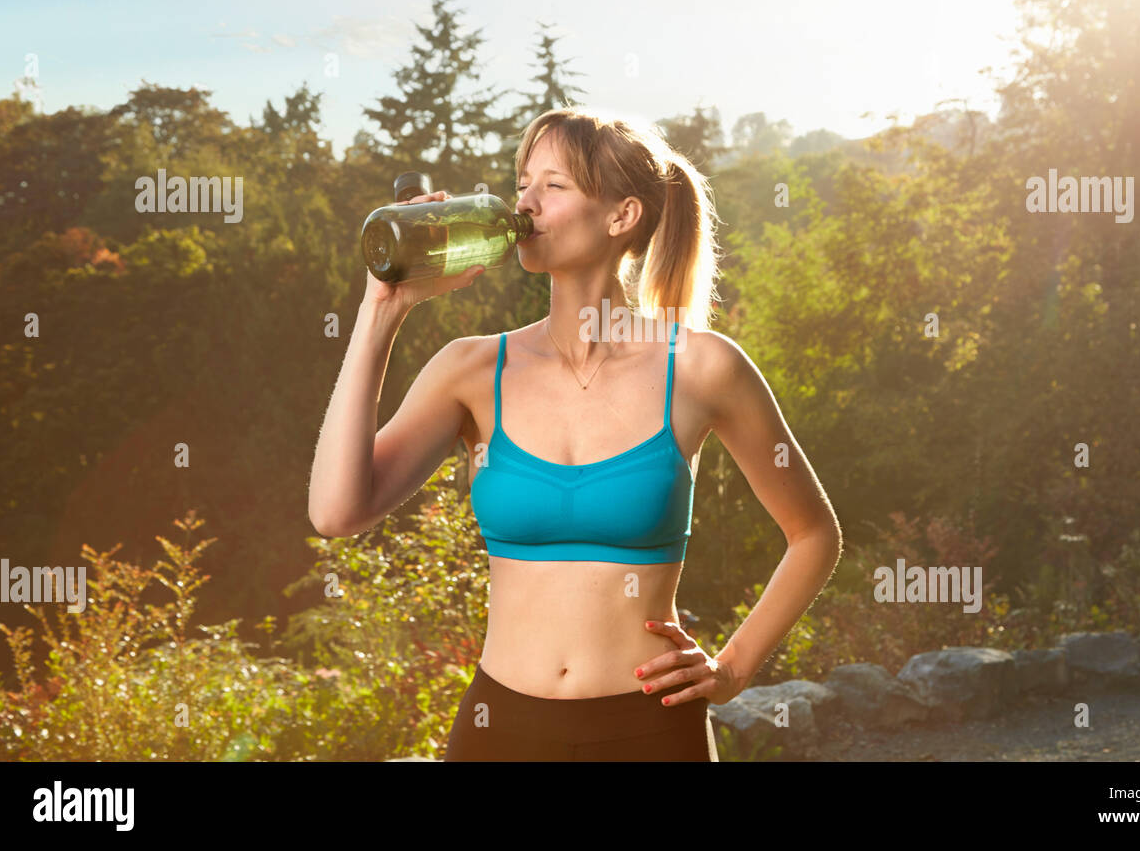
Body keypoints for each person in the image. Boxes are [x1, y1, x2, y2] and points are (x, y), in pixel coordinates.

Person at [308, 106, 842, 761]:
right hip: (497, 729)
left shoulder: (704, 368)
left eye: (553, 186)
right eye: (523, 181)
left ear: (621, 217)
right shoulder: (470, 369)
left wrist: (732, 670)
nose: (524, 203)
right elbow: (336, 511)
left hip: (650, 729)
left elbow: (814, 534)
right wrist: (382, 309)